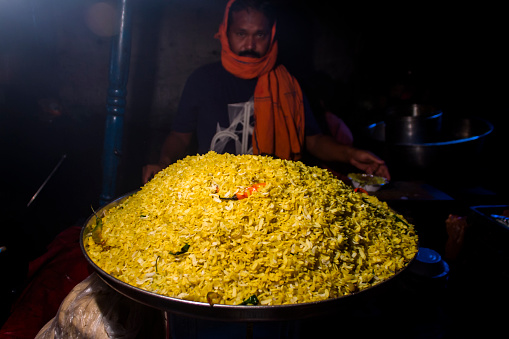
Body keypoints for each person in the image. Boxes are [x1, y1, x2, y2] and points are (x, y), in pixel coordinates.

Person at [142, 0, 390, 184]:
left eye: (259, 35)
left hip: (274, 193)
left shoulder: (288, 84)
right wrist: (164, 162)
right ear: (225, 32)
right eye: (241, 34)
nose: (249, 45)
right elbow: (180, 136)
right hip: (215, 191)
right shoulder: (203, 80)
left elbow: (312, 140)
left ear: (271, 35)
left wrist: (351, 155)